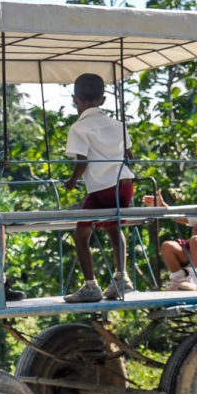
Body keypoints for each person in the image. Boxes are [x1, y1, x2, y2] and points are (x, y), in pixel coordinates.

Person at [62, 73, 135, 303]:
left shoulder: (79, 128)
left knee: (81, 234)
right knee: (114, 229)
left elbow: (81, 162)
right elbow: (130, 156)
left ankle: (90, 285)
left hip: (102, 188)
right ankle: (122, 277)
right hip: (125, 184)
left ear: (76, 100)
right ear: (103, 100)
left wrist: (72, 182)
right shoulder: (118, 125)